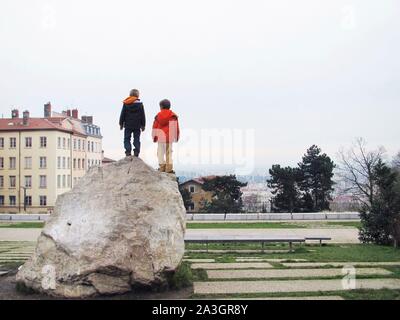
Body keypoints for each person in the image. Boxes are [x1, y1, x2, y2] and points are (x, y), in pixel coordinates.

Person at [152, 99, 180, 173]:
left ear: (161, 106)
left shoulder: (158, 116)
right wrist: (176, 137)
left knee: (160, 153)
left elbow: (155, 127)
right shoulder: (173, 116)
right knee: (169, 153)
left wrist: (154, 137)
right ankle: (168, 169)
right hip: (169, 138)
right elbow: (176, 127)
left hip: (160, 137)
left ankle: (162, 167)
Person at [119, 89, 146, 157]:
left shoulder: (126, 103)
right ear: (138, 95)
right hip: (137, 125)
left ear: (130, 95)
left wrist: (121, 123)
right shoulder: (140, 104)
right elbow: (143, 115)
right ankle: (136, 151)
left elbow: (122, 114)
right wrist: (143, 125)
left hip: (128, 125)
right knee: (136, 138)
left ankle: (128, 151)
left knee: (127, 138)